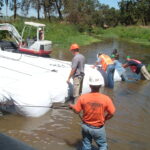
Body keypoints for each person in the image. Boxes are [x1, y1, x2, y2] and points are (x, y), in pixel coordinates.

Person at [69, 73, 116, 150]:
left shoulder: (83, 97)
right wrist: (105, 119)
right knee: (102, 146)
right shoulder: (106, 99)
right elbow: (112, 113)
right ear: (100, 86)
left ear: (90, 86)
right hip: (98, 128)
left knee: (86, 144)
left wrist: (72, 107)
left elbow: (77, 111)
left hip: (86, 127)